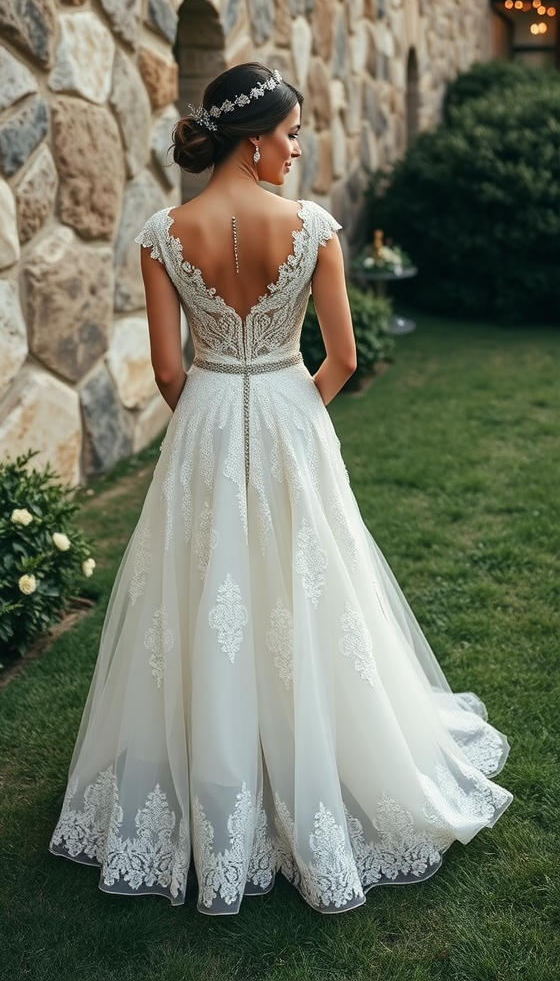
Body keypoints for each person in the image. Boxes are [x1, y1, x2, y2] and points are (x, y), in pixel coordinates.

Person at [50, 63, 512, 915]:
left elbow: (165, 368)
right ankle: (314, 759)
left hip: (207, 420)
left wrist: (215, 428)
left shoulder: (161, 232)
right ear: (255, 138)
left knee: (202, 598)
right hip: (293, 417)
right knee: (310, 590)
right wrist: (294, 422)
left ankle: (212, 773)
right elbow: (340, 357)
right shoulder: (313, 228)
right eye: (292, 135)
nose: (297, 150)